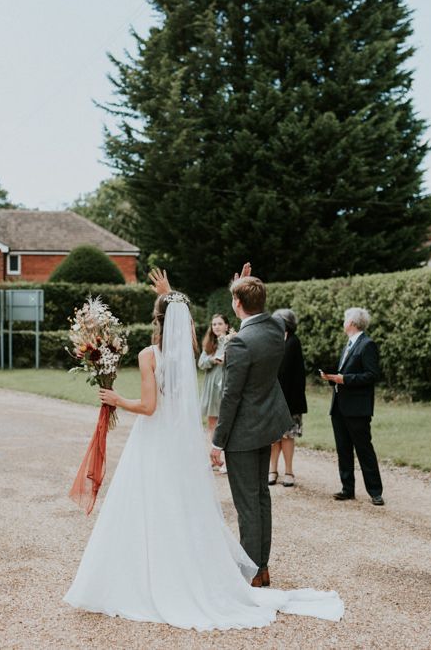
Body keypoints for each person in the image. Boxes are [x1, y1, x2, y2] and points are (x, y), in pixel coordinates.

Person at [64, 268, 343, 629]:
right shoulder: (237, 337)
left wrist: (116, 398)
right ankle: (256, 565)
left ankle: (194, 569)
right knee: (210, 501)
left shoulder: (151, 354)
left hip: (160, 437)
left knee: (155, 502)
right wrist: (191, 292)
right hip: (206, 433)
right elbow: (183, 319)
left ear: (157, 319)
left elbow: (150, 407)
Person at [210, 268, 294, 589]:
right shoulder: (275, 326)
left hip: (244, 433)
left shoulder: (240, 343)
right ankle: (262, 567)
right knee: (260, 498)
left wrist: (218, 443)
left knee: (247, 505)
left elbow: (230, 398)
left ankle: (252, 573)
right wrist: (244, 282)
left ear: (237, 303)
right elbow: (252, 305)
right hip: (268, 426)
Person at [321, 307, 384, 506]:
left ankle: (375, 491)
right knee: (343, 448)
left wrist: (345, 379)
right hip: (339, 406)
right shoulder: (348, 345)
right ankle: (347, 488)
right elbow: (344, 375)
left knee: (364, 449)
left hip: (357, 408)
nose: (343, 322)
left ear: (352, 323)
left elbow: (372, 375)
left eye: (345, 319)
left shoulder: (367, 345)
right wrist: (332, 379)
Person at [268, 309, 307, 488]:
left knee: (287, 436)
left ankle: (289, 471)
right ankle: (272, 470)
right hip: (272, 397)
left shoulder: (293, 342)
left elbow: (291, 374)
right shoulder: (273, 340)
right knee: (273, 437)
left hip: (289, 399)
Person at [198, 313, 233, 472]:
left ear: (226, 325)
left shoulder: (232, 341)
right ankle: (214, 458)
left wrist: (226, 360)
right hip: (212, 386)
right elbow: (201, 363)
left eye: (219, 324)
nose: (216, 327)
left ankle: (225, 459)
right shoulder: (209, 343)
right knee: (212, 423)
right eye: (214, 324)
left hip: (226, 385)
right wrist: (212, 360)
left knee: (226, 423)